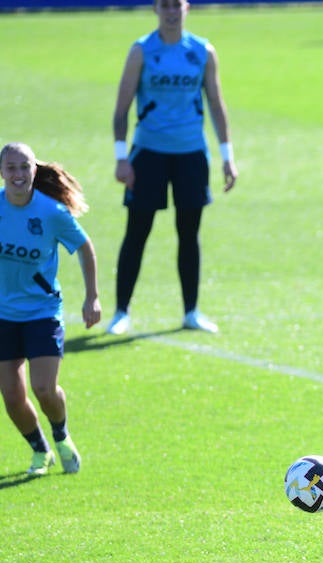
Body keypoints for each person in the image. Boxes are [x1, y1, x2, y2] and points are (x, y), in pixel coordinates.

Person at [108, 0, 237, 336]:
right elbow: (121, 109)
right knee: (137, 232)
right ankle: (121, 312)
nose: (170, 11)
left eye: (176, 5)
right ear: (156, 9)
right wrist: (122, 157)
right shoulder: (141, 51)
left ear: (186, 8)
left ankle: (191, 312)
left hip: (191, 153)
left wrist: (228, 155)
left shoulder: (203, 51)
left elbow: (216, 103)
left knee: (189, 233)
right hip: (148, 153)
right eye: (164, 5)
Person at [0, 143, 100, 476]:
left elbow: (85, 248)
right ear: (2, 172)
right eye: (11, 168)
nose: (17, 174)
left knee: (44, 389)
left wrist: (92, 297)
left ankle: (61, 435)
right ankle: (40, 450)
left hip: (42, 312)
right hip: (3, 315)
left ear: (34, 170)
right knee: (12, 396)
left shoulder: (51, 213)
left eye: (24, 167)